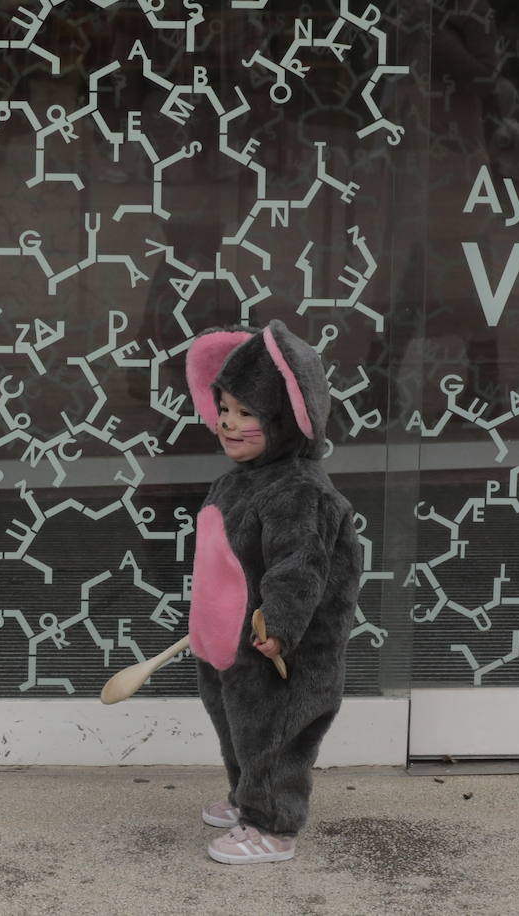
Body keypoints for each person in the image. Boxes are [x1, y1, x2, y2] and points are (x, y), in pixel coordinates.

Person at [182, 319, 361, 864]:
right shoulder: (239, 478)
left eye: (247, 414)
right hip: (230, 644)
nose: (228, 425)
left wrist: (279, 629)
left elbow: (298, 567)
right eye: (225, 410)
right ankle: (247, 799)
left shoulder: (300, 491)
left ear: (287, 421)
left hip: (279, 649)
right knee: (238, 726)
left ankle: (275, 826)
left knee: (276, 734)